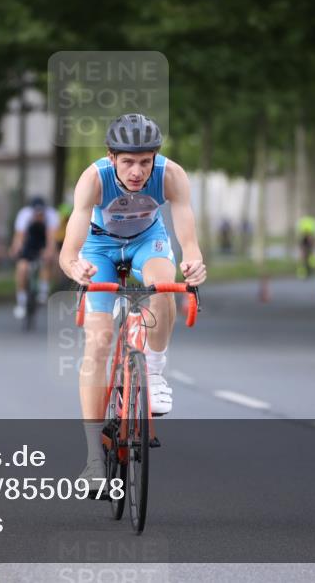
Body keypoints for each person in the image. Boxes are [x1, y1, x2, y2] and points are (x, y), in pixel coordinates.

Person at [59, 113, 206, 486]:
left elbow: (187, 238)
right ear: (112, 158)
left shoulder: (171, 175)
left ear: (155, 157)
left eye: (145, 161)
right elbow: (69, 251)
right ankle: (94, 458)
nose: (137, 171)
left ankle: (153, 373)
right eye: (128, 162)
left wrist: (194, 262)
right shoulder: (93, 179)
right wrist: (76, 269)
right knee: (98, 342)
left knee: (163, 286)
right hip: (99, 246)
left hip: (146, 240)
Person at [10, 196, 59, 318]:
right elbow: (19, 237)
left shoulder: (51, 216)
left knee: (47, 260)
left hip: (43, 242)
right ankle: (21, 302)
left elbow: (51, 238)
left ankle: (43, 291)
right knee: (22, 269)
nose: (38, 216)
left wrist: (49, 251)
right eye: (36, 213)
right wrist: (16, 248)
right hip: (29, 244)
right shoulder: (24, 215)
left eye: (41, 213)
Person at [297, 214, 315, 278]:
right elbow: (302, 244)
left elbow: (311, 244)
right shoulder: (306, 236)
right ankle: (305, 272)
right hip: (306, 249)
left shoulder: (307, 236)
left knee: (307, 260)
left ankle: (307, 271)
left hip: (307, 249)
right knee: (305, 260)